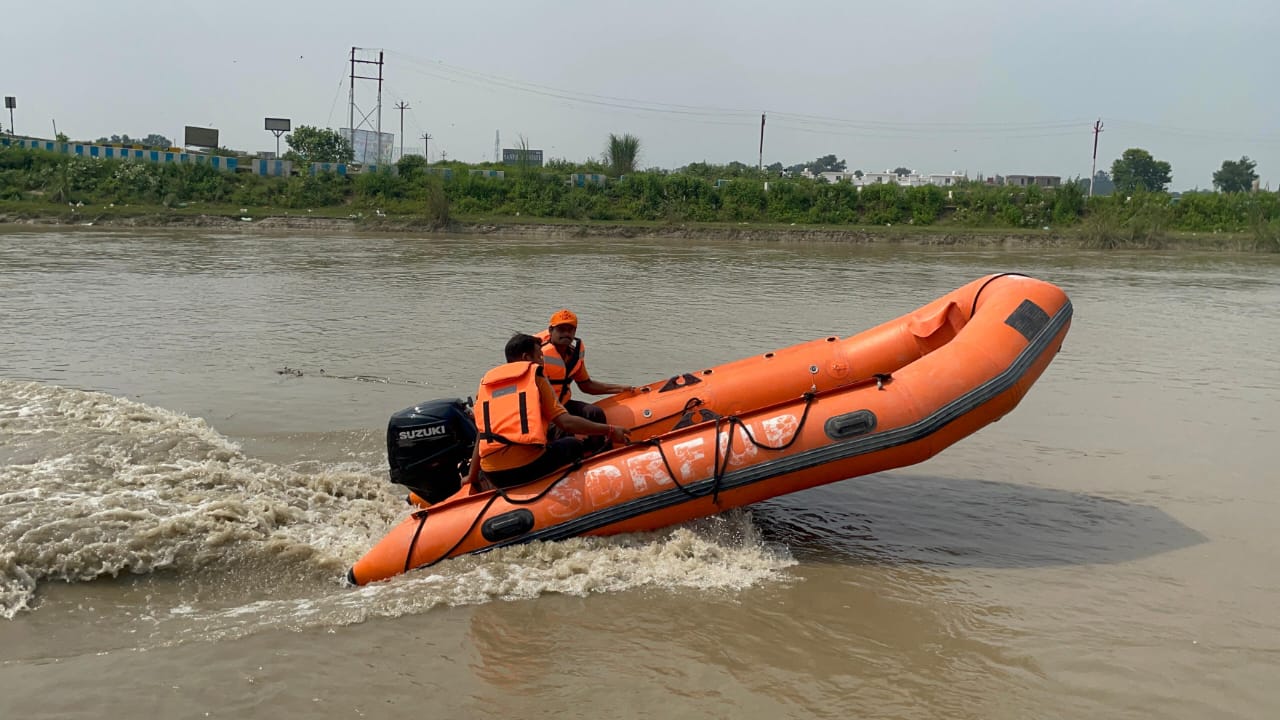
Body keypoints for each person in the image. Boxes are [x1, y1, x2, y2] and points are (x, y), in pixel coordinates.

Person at [465, 333, 630, 490]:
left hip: (493, 474)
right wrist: (610, 430)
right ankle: (583, 492)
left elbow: (481, 435)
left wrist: (471, 477)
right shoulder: (535, 377)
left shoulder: (487, 386)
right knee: (573, 445)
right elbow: (566, 422)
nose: (542, 361)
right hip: (525, 467)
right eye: (539, 356)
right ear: (526, 358)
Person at [537, 309, 635, 451]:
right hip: (543, 409)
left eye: (570, 330)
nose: (566, 334)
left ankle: (597, 451)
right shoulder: (539, 356)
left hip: (563, 403)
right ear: (551, 330)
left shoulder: (574, 355)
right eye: (561, 329)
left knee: (594, 413)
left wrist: (620, 388)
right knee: (562, 430)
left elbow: (586, 385)